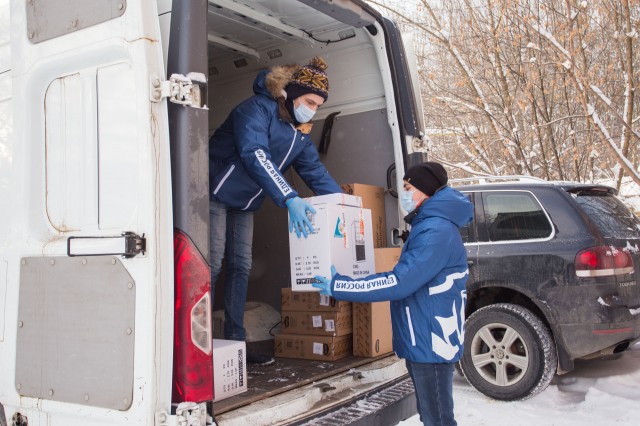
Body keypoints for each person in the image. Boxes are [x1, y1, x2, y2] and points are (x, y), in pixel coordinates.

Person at [313, 162, 473, 425]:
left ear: (424, 190)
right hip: (426, 336)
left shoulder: (436, 231)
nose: (405, 194)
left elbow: (399, 283)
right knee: (433, 416)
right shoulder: (430, 225)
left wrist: (340, 285)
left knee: (438, 419)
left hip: (431, 341)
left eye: (408, 187)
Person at [209, 57, 342, 365]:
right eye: (309, 101)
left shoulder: (299, 133)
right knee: (211, 265)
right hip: (216, 192)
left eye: (318, 105)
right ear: (290, 92)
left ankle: (235, 344)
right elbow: (255, 154)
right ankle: (197, 345)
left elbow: (314, 172)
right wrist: (289, 197)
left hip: (245, 202)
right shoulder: (256, 109)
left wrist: (344, 203)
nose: (313, 109)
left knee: (240, 267)